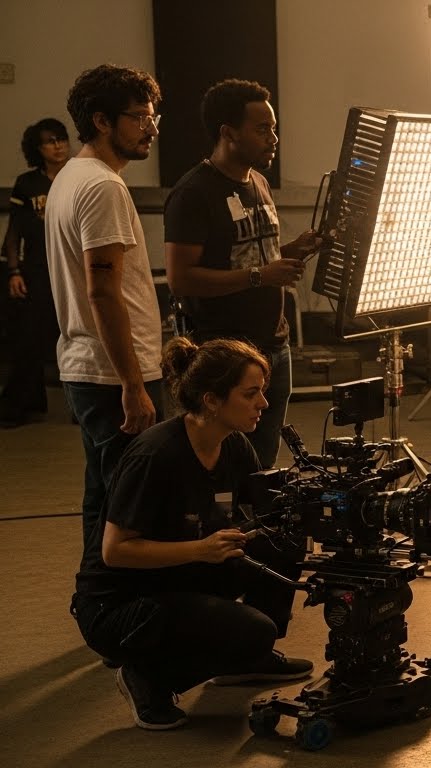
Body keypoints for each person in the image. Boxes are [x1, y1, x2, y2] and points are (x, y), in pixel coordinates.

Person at [70, 337, 313, 731]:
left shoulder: (234, 446)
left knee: (284, 538)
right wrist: (201, 549)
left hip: (180, 571)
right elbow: (116, 551)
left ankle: (246, 660)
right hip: (119, 604)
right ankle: (148, 678)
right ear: (212, 400)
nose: (263, 404)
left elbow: (260, 517)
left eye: (262, 392)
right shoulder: (155, 456)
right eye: (250, 394)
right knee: (254, 630)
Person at [165, 78, 320, 467]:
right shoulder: (193, 193)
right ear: (228, 132)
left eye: (274, 128)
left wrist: (293, 250)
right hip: (224, 356)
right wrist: (260, 277)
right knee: (225, 466)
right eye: (262, 129)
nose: (273, 139)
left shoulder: (259, 182)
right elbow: (181, 279)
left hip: (273, 347)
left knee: (261, 465)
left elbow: (252, 256)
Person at [47, 65, 166, 555]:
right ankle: (117, 597)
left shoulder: (71, 178)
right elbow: (102, 292)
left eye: (153, 117)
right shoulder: (102, 186)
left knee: (105, 500)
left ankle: (94, 592)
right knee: (133, 512)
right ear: (101, 120)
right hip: (113, 375)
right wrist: (133, 385)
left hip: (92, 369)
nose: (151, 129)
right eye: (139, 117)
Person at [2, 118, 69, 427]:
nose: (58, 146)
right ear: (37, 149)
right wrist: (13, 271)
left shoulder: (76, 177)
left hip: (70, 271)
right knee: (28, 337)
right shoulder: (28, 184)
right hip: (36, 271)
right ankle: (21, 403)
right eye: (49, 142)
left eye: (61, 139)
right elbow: (14, 232)